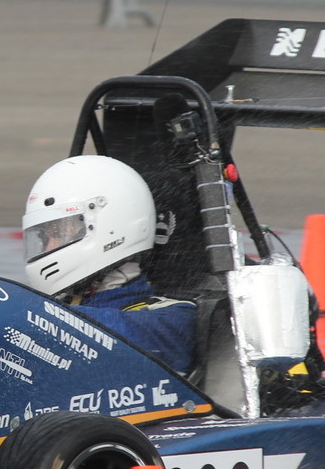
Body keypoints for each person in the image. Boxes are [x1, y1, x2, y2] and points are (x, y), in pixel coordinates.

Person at [22, 155, 197, 372]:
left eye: (58, 233)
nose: (48, 247)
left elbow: (110, 336)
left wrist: (25, 314)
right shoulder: (57, 307)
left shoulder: (172, 319)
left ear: (111, 227)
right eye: (44, 238)